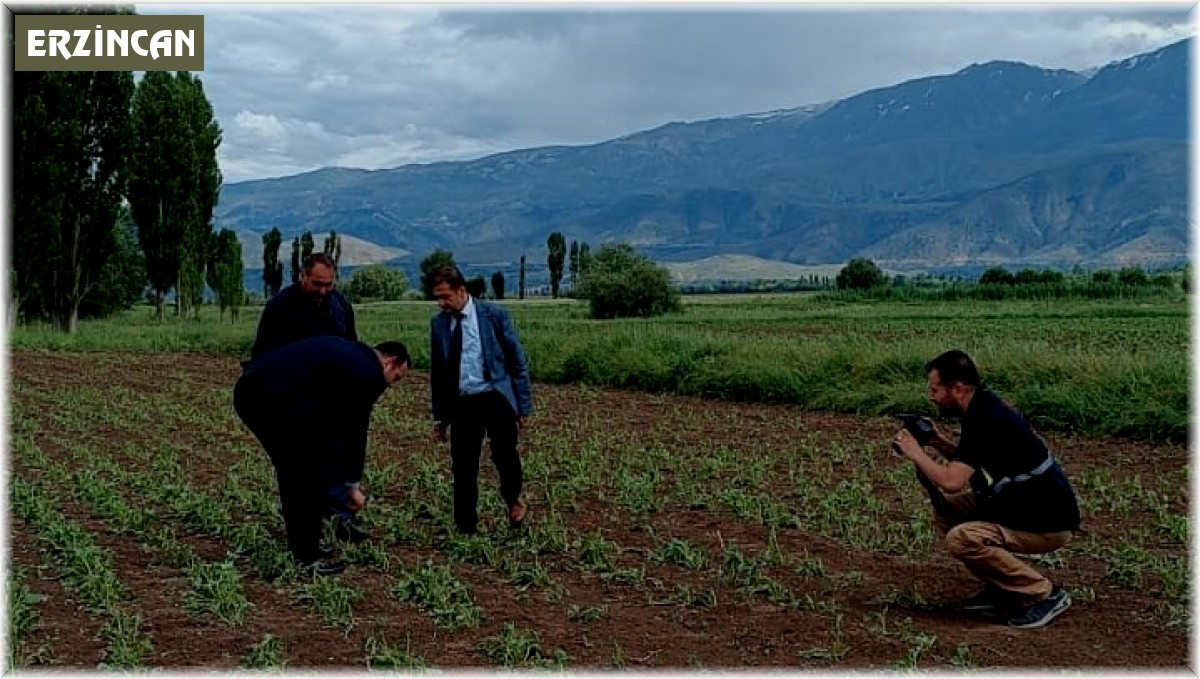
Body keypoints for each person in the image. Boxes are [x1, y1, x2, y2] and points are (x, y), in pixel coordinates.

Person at [892, 349, 1080, 630]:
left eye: (934, 390)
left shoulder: (985, 419)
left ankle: (1044, 594)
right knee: (948, 511)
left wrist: (916, 452)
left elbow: (952, 481)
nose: (931, 397)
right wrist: (936, 441)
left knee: (962, 538)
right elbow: (973, 463)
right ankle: (1005, 587)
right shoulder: (982, 407)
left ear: (957, 389)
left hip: (1048, 520)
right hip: (1024, 503)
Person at [234, 336, 409, 575]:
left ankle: (308, 546)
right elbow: (355, 430)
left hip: (268, 392)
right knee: (300, 471)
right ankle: (306, 557)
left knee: (309, 466)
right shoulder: (369, 373)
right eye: (395, 378)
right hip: (263, 395)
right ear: (390, 362)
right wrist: (352, 484)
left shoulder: (355, 356)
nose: (390, 385)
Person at [249, 251, 367, 541]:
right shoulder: (280, 308)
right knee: (306, 466)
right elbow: (263, 358)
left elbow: (351, 348)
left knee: (337, 458)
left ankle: (342, 520)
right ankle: (310, 527)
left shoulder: (340, 305)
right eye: (317, 284)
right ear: (302, 276)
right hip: (296, 402)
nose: (323, 291)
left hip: (333, 399)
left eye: (329, 285)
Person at [428, 266, 532, 535]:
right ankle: (466, 526)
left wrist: (522, 406)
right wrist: (440, 417)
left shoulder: (494, 316)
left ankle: (513, 499)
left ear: (462, 291)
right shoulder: (439, 324)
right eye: (437, 298)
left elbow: (517, 361)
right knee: (463, 464)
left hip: (496, 396)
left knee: (505, 455)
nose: (441, 304)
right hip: (463, 402)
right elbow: (438, 374)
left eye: (446, 297)